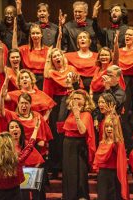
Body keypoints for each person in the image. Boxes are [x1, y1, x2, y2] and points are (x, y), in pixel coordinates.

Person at [43, 48, 81, 179]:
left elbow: (78, 87)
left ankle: (66, 166)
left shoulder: (71, 69)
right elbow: (47, 92)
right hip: (56, 103)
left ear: (62, 57)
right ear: (52, 60)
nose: (57, 58)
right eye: (54, 56)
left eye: (59, 55)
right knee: (55, 135)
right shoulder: (50, 73)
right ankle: (55, 166)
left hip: (70, 101)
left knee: (66, 135)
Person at [0, 118, 40, 200]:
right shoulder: (17, 160)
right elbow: (29, 147)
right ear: (10, 146)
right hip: (16, 195)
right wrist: (36, 129)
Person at [62, 89, 96, 200]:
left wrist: (77, 116)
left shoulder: (86, 114)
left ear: (85, 101)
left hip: (79, 146)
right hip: (68, 145)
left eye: (79, 99)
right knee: (69, 173)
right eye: (74, 98)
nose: (76, 101)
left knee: (79, 174)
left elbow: (82, 131)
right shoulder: (70, 112)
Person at [93, 115, 129, 200]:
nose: (109, 129)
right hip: (102, 175)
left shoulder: (118, 143)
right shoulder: (102, 142)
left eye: (111, 127)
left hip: (113, 175)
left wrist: (115, 122)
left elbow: (117, 146)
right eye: (107, 126)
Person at [12, 20, 50, 90]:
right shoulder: (24, 49)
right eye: (33, 33)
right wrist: (14, 32)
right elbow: (14, 51)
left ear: (41, 34)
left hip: (44, 80)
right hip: (28, 79)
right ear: (30, 35)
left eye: (37, 33)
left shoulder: (48, 50)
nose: (35, 35)